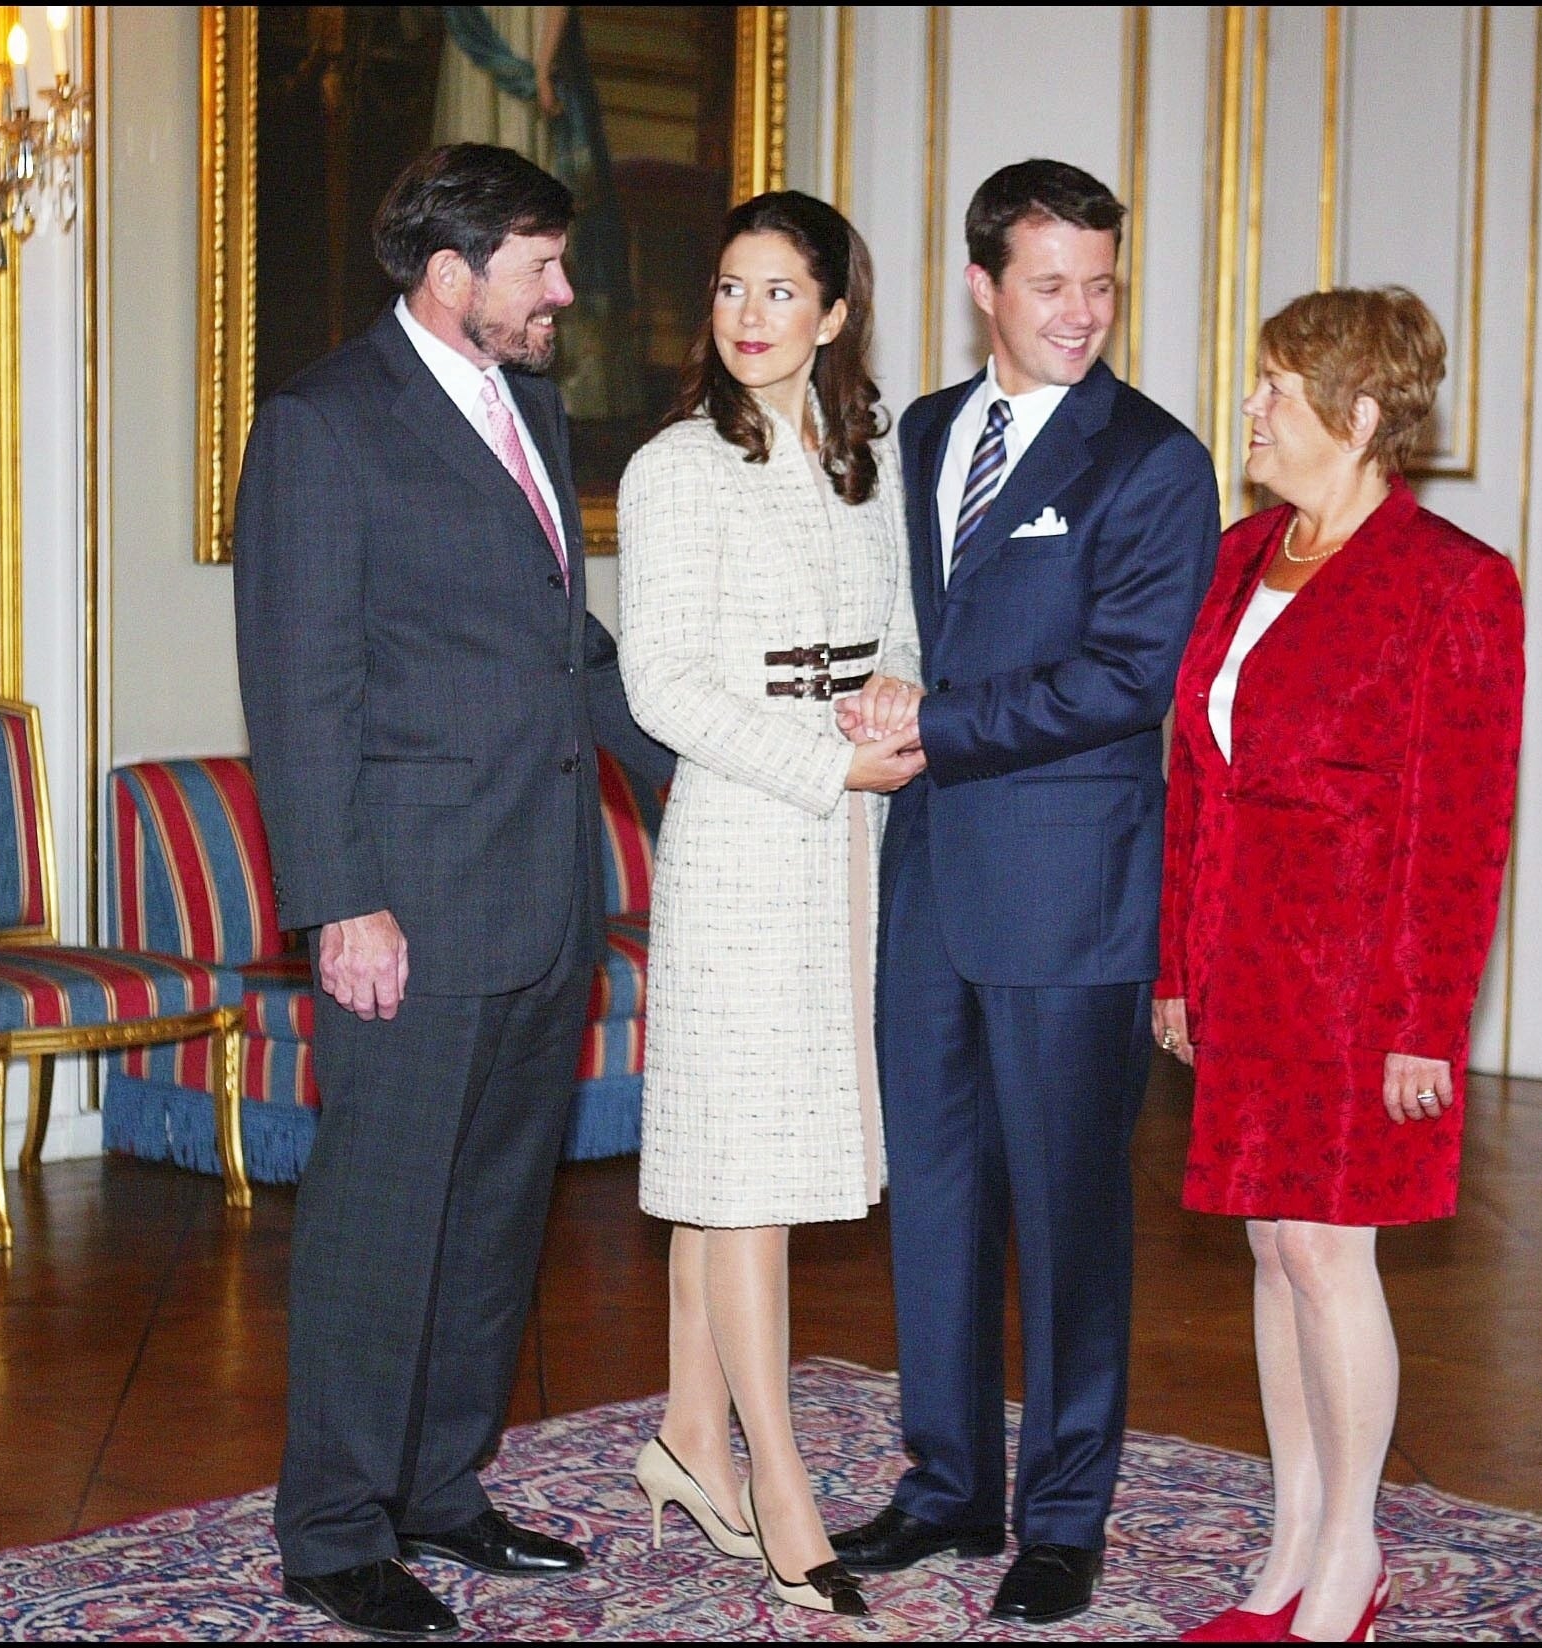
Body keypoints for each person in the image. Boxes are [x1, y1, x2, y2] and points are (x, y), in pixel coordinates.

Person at [234, 142, 673, 1643]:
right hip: (406, 910)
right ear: (449, 277)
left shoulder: (533, 407)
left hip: (543, 895)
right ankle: (335, 1533)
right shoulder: (320, 424)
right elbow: (301, 687)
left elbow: (572, 650)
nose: (564, 290)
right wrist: (340, 900)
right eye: (540, 265)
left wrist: (709, 786)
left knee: (491, 1219)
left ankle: (437, 1490)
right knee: (380, 1227)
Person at [828, 159, 1221, 1626]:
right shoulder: (927, 429)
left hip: (1071, 893)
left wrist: (938, 723)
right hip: (927, 876)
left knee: (1065, 1218)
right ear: (984, 285)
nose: (1082, 312)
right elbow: (915, 621)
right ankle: (944, 1488)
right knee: (932, 1197)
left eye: (1103, 284)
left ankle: (1063, 1519)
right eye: (1051, 284)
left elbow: (1132, 679)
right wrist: (882, 686)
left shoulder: (1154, 461)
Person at [1157, 288, 1523, 1644]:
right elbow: (1197, 773)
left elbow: (1466, 823)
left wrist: (1430, 1017)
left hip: (1361, 980)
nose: (1249, 408)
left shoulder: (1456, 582)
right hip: (1242, 960)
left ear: (1362, 414)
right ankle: (1292, 1543)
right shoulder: (1244, 549)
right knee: (1270, 1244)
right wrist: (1176, 964)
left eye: (1275, 387)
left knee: (1327, 1251)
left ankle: (1353, 1555)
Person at [614, 190, 922, 1619]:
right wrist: (830, 763)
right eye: (732, 287)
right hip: (745, 834)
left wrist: (895, 698)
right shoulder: (679, 466)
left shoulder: (874, 459)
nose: (748, 315)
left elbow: (904, 631)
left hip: (846, 852)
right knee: (742, 1174)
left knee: (746, 1153)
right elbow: (661, 685)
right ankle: (782, 1489)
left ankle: (688, 1433)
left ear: (836, 313)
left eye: (780, 292)